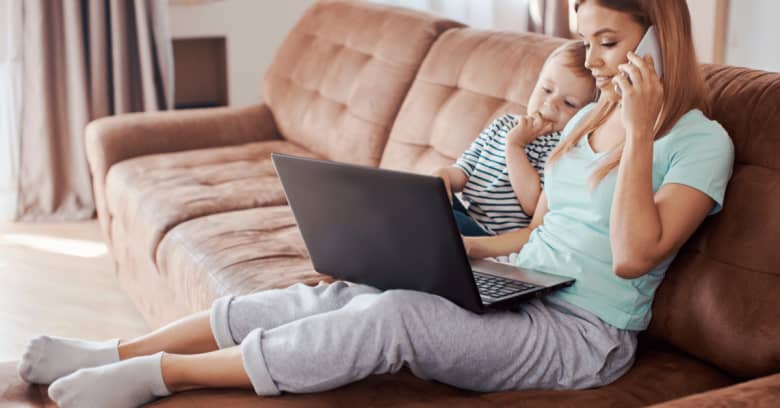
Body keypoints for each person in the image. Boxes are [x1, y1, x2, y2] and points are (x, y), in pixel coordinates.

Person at [18, 1, 735, 407]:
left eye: (608, 42)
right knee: (354, 288)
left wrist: (640, 132)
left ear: (661, 35)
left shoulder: (702, 143)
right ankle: (117, 348)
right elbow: (543, 230)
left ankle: (157, 377)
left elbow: (632, 253)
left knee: (394, 317)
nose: (597, 61)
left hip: (584, 333)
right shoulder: (583, 122)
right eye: (585, 41)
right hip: (526, 288)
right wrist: (437, 254)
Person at [434, 40, 595, 238]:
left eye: (569, 103)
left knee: (437, 221)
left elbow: (532, 206)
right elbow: (462, 172)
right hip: (470, 217)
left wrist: (515, 146)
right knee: (424, 202)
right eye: (546, 89)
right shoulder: (504, 124)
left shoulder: (564, 149)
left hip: (493, 239)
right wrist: (443, 177)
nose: (550, 103)